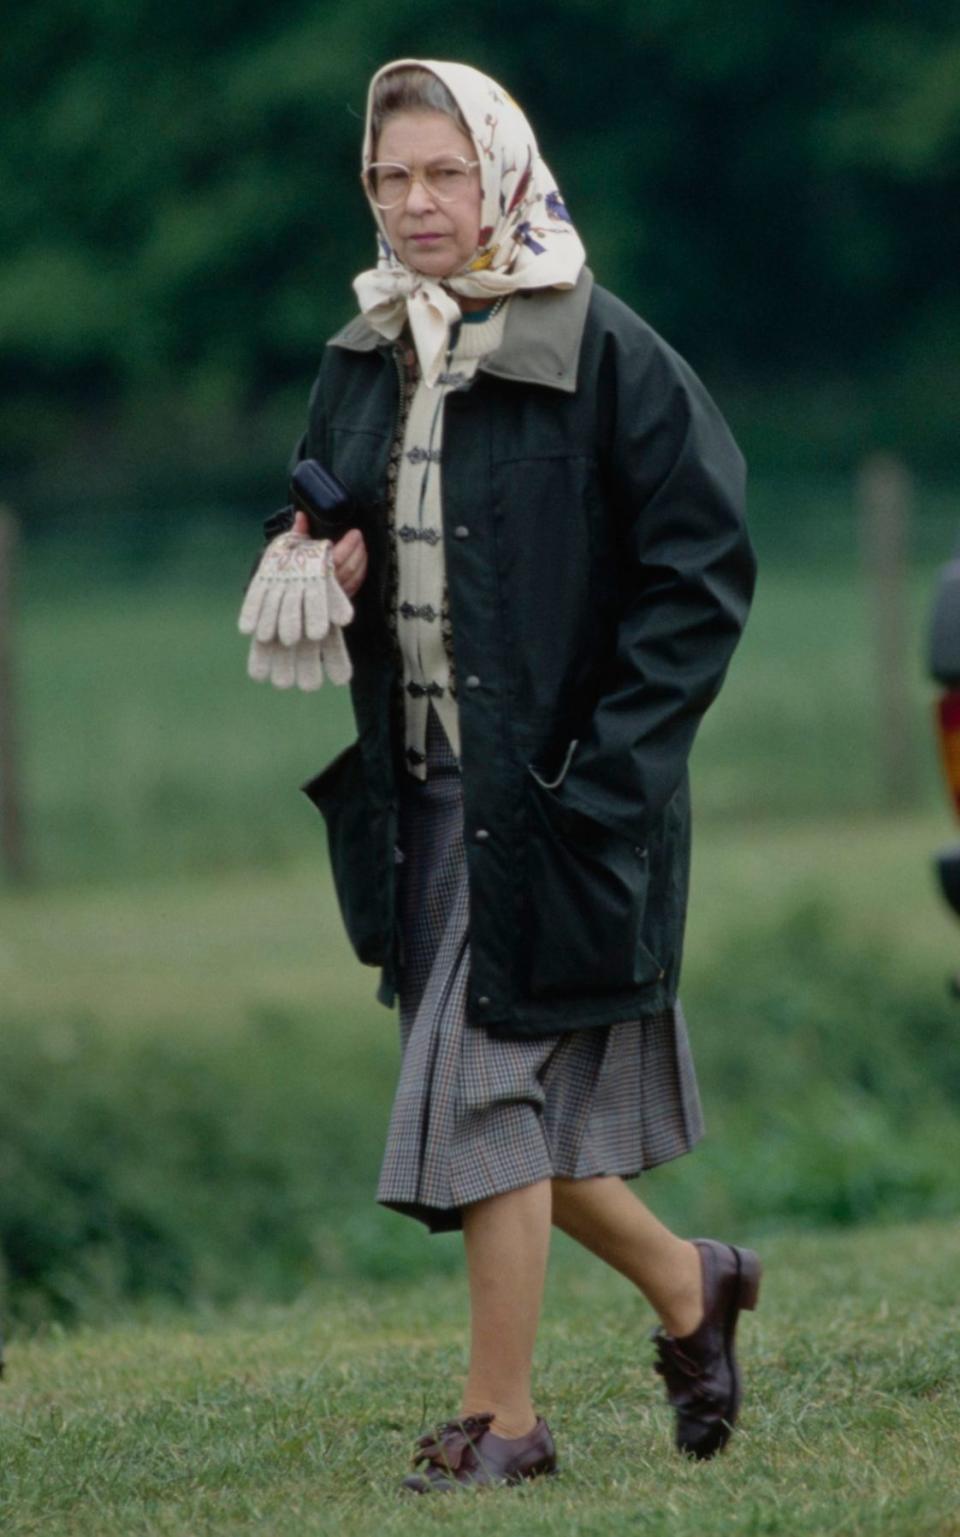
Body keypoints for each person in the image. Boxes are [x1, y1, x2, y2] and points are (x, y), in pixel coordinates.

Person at [284, 58, 759, 1491]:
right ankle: (693, 1284)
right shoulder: (368, 348)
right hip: (421, 794)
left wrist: (604, 780)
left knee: (482, 1098)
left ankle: (505, 1425)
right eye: (389, 178)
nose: (416, 203)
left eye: (441, 172)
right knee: (506, 1118)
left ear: (501, 170)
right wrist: (317, 553)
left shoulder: (603, 347)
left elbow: (703, 574)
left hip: (551, 799)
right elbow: (334, 491)